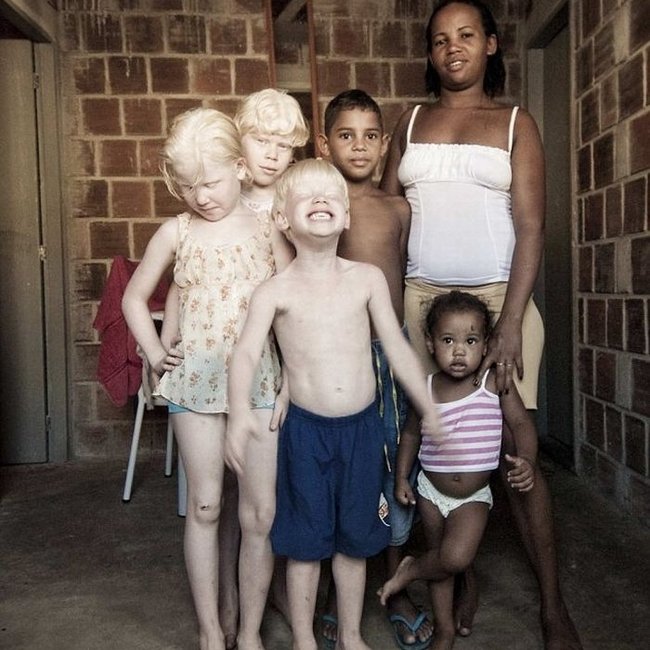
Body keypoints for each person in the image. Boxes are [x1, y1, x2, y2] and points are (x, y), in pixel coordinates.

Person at [379, 2, 582, 648]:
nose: (452, 48)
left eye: (467, 35)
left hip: (500, 300)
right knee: (432, 446)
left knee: (513, 452)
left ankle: (552, 606)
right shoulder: (408, 123)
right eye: (440, 40)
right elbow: (386, 217)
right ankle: (457, 575)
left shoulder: (516, 122)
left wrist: (513, 319)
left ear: (492, 44)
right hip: (420, 304)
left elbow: (531, 227)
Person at [225, 158, 443, 650]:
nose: (321, 199)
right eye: (306, 195)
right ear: (283, 219)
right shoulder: (274, 291)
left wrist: (426, 407)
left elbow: (396, 345)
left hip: (363, 431)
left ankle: (349, 634)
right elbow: (244, 354)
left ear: (345, 218)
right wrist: (239, 413)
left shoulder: (366, 278)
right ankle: (304, 637)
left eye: (331, 195)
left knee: (356, 541)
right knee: (305, 545)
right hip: (305, 434)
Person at [122, 107, 293, 650]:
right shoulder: (178, 232)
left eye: (212, 182)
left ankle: (248, 631)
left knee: (259, 511)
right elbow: (132, 296)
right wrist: (153, 351)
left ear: (241, 168)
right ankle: (209, 632)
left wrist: (293, 377)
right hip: (195, 383)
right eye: (188, 185)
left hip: (261, 383)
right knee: (205, 504)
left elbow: (293, 302)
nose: (201, 196)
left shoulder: (270, 228)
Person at [317, 89, 432, 650]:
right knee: (343, 466)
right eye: (345, 134)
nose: (359, 146)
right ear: (324, 143)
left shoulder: (398, 209)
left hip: (389, 355)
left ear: (385, 144)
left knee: (392, 464)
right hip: (335, 354)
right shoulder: (320, 205)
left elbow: (404, 283)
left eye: (369, 135)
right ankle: (343, 591)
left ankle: (393, 581)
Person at [378, 290, 537, 650]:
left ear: (486, 345)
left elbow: (521, 425)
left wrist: (527, 458)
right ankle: (444, 629)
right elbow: (411, 435)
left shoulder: (493, 383)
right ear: (431, 345)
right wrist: (403, 476)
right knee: (444, 566)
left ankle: (410, 570)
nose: (459, 351)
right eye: (448, 340)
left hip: (472, 497)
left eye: (470, 340)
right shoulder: (428, 387)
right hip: (430, 492)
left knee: (454, 557)